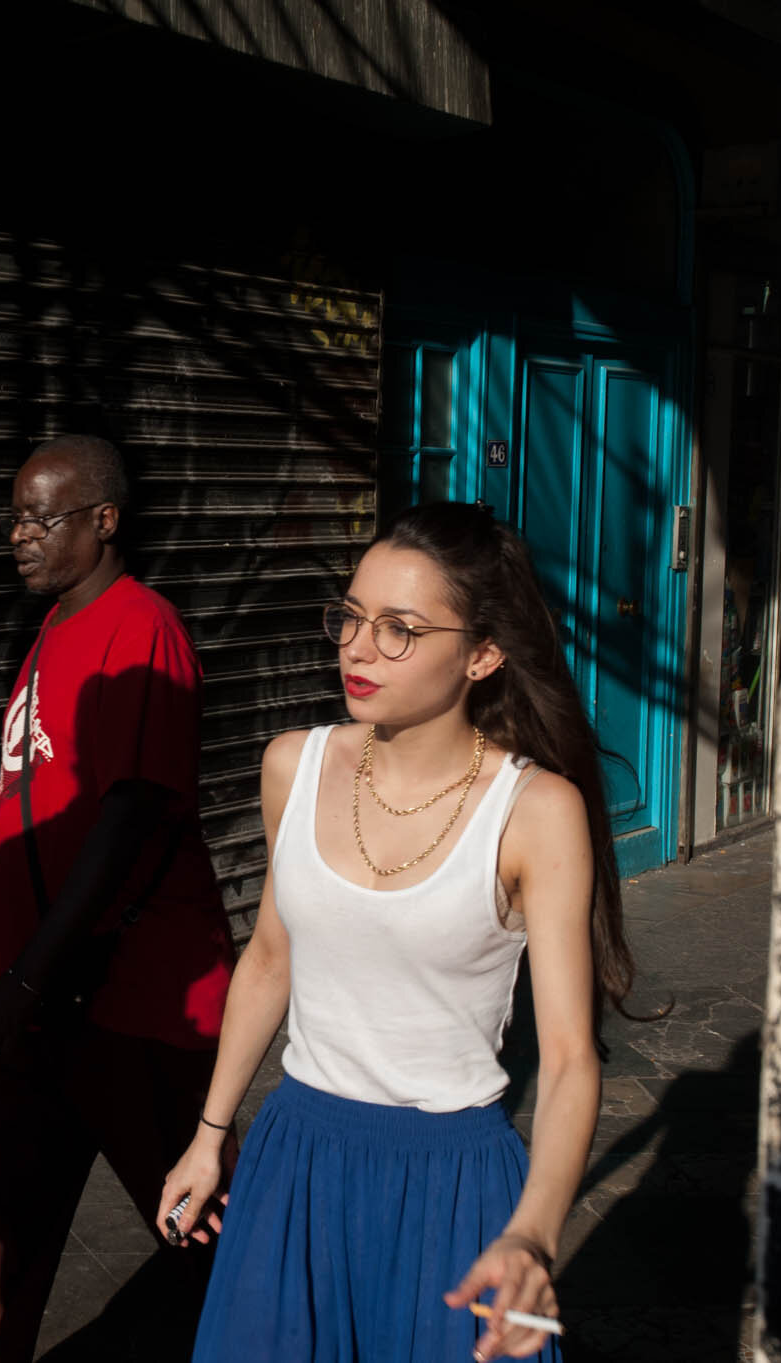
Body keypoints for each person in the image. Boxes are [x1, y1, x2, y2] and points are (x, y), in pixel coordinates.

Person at [161, 500, 636, 1363]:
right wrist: (209, 1132)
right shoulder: (291, 765)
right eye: (349, 617)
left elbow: (568, 1057)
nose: (357, 647)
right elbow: (270, 960)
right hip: (295, 1162)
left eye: (399, 630)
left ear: (483, 653)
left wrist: (532, 1233)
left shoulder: (535, 811)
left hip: (453, 1182)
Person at [0, 435, 237, 1363]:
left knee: (196, 1215)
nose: (20, 536)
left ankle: (276, 1334)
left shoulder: (140, 627)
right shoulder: (55, 629)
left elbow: (133, 815)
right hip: (34, 999)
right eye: (16, 517)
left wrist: (27, 982)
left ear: (105, 520)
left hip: (124, 997)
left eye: (42, 516)